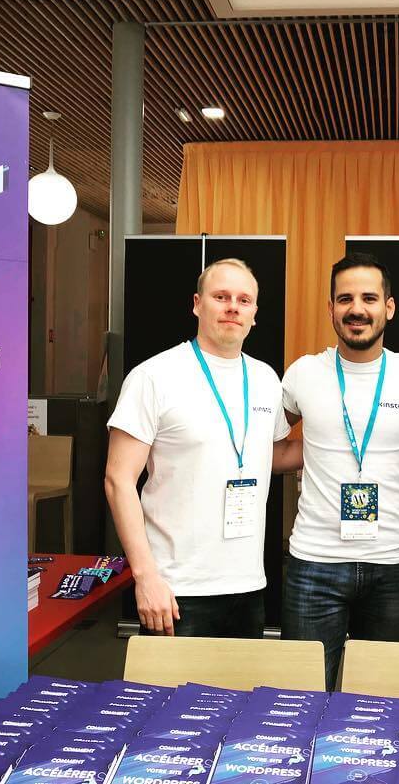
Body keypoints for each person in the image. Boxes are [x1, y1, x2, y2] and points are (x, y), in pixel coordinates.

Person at [104, 258, 300, 638]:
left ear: (254, 314)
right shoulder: (154, 376)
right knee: (170, 682)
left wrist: (336, 444)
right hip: (175, 589)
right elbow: (118, 480)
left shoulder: (265, 379)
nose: (233, 307)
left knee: (241, 681)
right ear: (197, 304)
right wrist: (145, 577)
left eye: (244, 300)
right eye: (221, 296)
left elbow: (274, 456)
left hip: (247, 585)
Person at [281, 252, 399, 689]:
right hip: (315, 563)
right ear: (331, 308)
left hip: (391, 564)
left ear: (389, 307)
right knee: (303, 694)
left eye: (369, 298)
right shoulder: (303, 374)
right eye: (345, 299)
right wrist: (318, 451)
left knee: (374, 699)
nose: (357, 309)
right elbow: (272, 448)